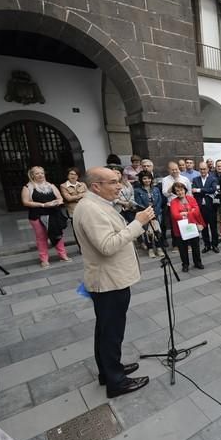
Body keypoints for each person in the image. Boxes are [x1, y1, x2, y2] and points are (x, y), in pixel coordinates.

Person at [73, 167, 153, 398]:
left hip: (110, 278)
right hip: (108, 281)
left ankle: (108, 371)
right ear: (96, 186)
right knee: (111, 333)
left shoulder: (97, 204)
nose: (119, 186)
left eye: (119, 181)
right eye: (113, 182)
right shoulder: (89, 209)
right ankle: (116, 382)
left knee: (105, 329)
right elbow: (107, 246)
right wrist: (137, 224)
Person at [21, 166, 70, 268]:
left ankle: (63, 255)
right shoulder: (27, 187)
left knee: (58, 234)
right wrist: (43, 205)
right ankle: (44, 259)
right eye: (37, 173)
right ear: (32, 175)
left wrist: (56, 202)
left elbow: (60, 198)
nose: (40, 175)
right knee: (41, 238)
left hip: (53, 214)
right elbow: (25, 202)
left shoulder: (51, 186)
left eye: (42, 173)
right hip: (37, 216)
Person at [169, 182, 205, 272]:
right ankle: (185, 264)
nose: (180, 192)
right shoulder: (173, 202)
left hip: (193, 226)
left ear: (185, 190)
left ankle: (198, 262)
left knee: (195, 246)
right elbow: (175, 215)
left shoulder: (191, 198)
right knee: (182, 248)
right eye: (177, 191)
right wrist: (190, 212)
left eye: (181, 190)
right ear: (175, 192)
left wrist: (185, 213)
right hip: (180, 229)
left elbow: (197, 211)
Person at [134, 171, 164, 258]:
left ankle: (159, 248)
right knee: (148, 232)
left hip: (157, 213)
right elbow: (138, 203)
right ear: (141, 180)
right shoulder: (137, 191)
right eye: (144, 178)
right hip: (145, 214)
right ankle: (150, 249)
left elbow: (159, 201)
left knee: (157, 231)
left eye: (149, 178)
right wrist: (149, 213)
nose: (147, 180)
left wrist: (155, 212)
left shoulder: (156, 189)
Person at [192, 162, 219, 253]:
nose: (203, 171)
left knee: (213, 227)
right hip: (200, 207)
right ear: (199, 170)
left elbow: (213, 189)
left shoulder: (213, 179)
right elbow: (193, 191)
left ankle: (215, 245)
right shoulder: (195, 179)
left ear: (208, 169)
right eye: (201, 169)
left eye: (204, 169)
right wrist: (206, 191)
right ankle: (207, 245)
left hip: (211, 207)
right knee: (203, 227)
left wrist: (199, 190)